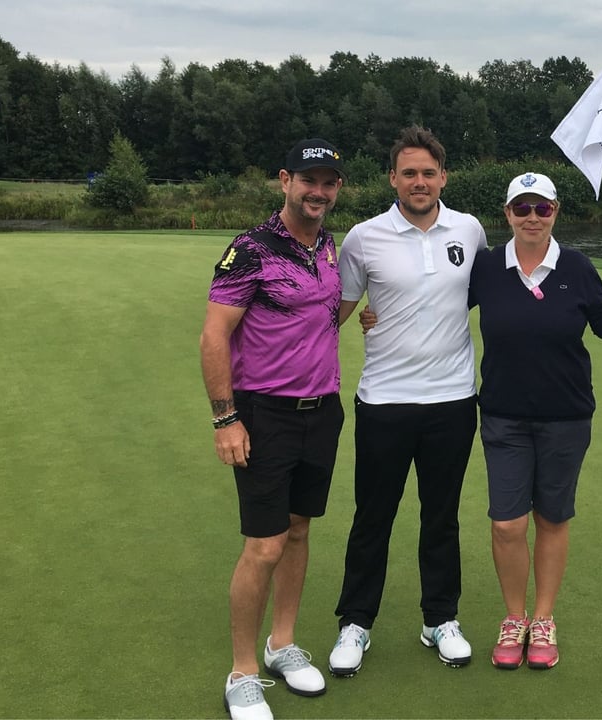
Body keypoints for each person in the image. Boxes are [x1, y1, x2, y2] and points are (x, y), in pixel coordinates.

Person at [469, 172, 602, 670]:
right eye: (521, 209)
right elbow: (439, 308)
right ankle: (514, 617)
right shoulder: (486, 268)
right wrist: (380, 315)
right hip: (503, 414)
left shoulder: (576, 266)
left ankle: (542, 620)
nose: (531, 218)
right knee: (507, 523)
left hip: (565, 416)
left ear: (555, 212)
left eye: (541, 209)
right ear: (507, 214)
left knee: (551, 517)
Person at [328, 126, 487, 676]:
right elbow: (338, 311)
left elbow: (489, 294)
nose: (419, 182)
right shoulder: (363, 237)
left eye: (429, 172)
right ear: (392, 178)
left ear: (444, 177)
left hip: (452, 400)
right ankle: (355, 623)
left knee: (440, 518)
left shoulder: (468, 229)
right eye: (408, 173)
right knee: (373, 516)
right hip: (384, 401)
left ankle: (439, 619)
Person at [200, 139, 347, 720]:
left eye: (329, 182)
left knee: (299, 531)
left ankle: (282, 643)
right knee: (263, 546)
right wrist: (225, 417)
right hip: (264, 414)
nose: (319, 191)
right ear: (284, 180)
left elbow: (323, 315)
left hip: (323, 411)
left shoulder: (329, 246)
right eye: (309, 180)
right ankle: (242, 673)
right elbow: (214, 336)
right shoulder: (251, 250)